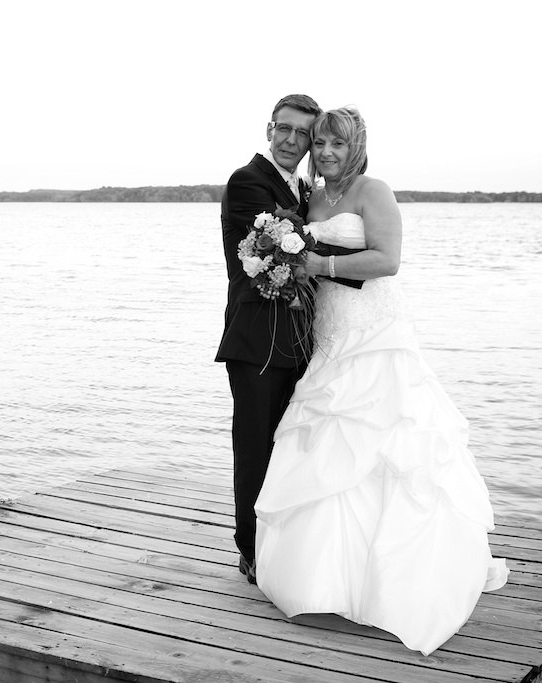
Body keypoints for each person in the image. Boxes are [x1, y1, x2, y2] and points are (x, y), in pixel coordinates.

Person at [253, 107, 509, 655]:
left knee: (386, 444)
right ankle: (323, 581)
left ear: (357, 147)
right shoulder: (311, 200)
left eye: (336, 145)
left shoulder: (375, 192)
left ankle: (392, 585)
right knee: (327, 447)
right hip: (328, 336)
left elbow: (388, 260)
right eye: (319, 143)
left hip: (374, 335)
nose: (324, 152)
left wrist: (315, 267)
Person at [216, 94, 321, 584]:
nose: (291, 140)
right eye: (285, 128)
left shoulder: (302, 189)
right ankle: (251, 550)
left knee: (291, 449)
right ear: (269, 128)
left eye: (303, 134)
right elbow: (283, 246)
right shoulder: (247, 182)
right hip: (257, 340)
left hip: (299, 342)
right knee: (256, 448)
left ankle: (285, 544)